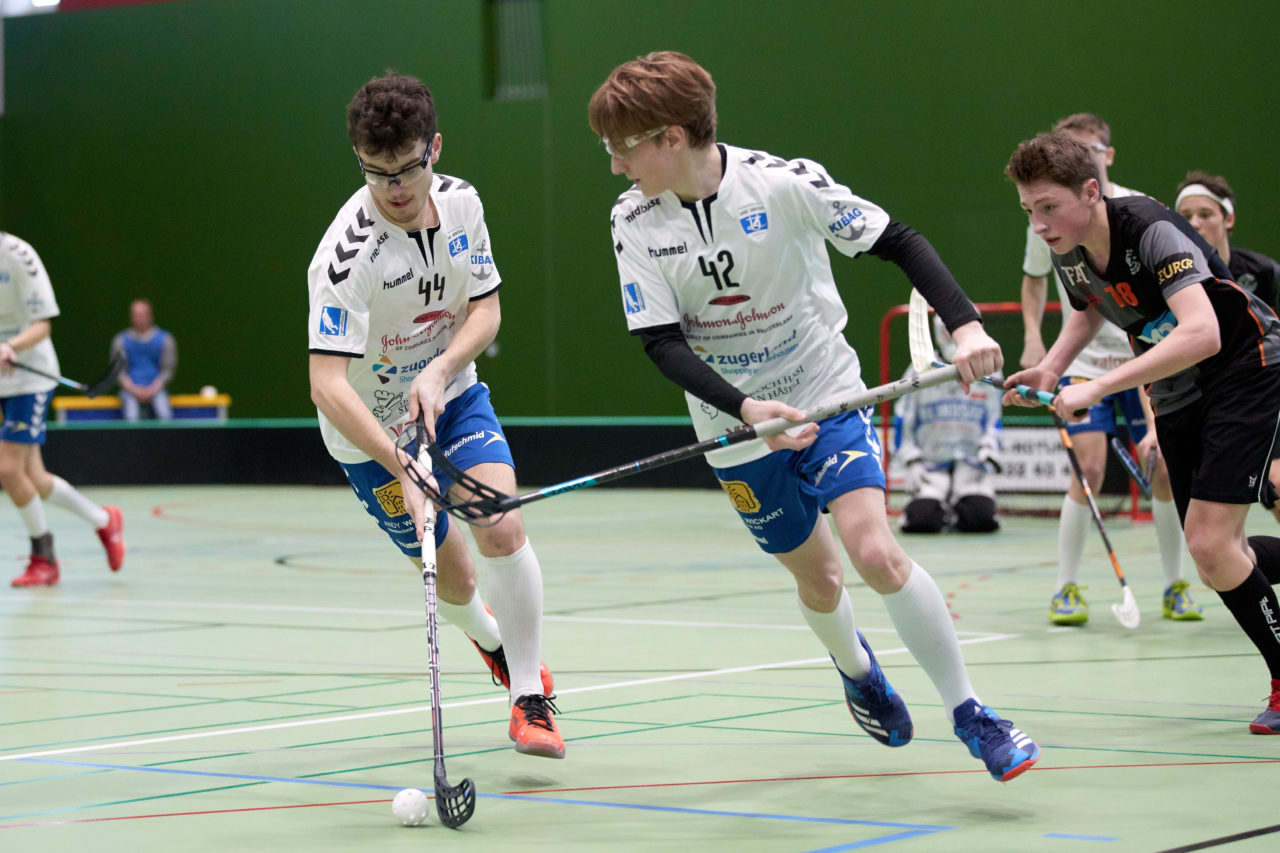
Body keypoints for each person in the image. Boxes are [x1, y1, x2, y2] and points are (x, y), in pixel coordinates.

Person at [589, 51, 1040, 782]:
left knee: (876, 551)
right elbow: (660, 340)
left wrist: (967, 327)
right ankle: (856, 668)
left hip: (824, 391)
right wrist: (747, 409)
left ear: (671, 137)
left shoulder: (784, 183)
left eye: (621, 147)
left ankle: (974, 715)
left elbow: (900, 240)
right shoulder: (633, 220)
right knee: (821, 579)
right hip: (733, 424)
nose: (614, 165)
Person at [306, 72, 562, 759]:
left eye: (408, 168)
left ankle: (529, 694)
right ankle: (491, 641)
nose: (394, 187)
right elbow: (326, 384)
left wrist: (441, 371)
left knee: (500, 523)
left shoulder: (464, 208)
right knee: (455, 577)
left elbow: (487, 308)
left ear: (435, 149)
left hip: (450, 399)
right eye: (376, 172)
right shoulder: (343, 258)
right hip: (370, 435)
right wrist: (402, 465)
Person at [1004, 131, 1280, 734]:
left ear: (1091, 190)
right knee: (1214, 560)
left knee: (1210, 545)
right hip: (1181, 388)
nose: (1039, 223)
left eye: (1048, 206)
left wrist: (1099, 386)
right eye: (1029, 211)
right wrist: (1052, 366)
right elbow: (1090, 306)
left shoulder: (1151, 230)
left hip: (1245, 368)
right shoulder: (1069, 245)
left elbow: (1202, 332)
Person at [1017, 113, 1199, 626]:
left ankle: (1174, 583)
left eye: (1086, 147)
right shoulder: (1049, 223)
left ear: (1103, 161)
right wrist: (1042, 352)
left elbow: (1188, 319)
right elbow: (1073, 299)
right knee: (1089, 469)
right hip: (1087, 365)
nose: (1039, 219)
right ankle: (1066, 587)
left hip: (1152, 359)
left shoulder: (1138, 214)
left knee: (1162, 470)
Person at [0, 232, 126, 587]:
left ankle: (44, 557)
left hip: (29, 378)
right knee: (34, 480)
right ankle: (104, 520)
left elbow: (43, 325)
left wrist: (10, 345)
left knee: (8, 470)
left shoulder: (18, 255)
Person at [1173, 172, 1280, 524]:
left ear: (1228, 218)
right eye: (1185, 217)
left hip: (1264, 397)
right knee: (1210, 533)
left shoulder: (1264, 273)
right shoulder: (1171, 281)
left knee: (1277, 487)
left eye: (1205, 214)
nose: (1194, 224)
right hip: (1205, 406)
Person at [893, 315, 1003, 533]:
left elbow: (994, 419)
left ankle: (961, 505)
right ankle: (935, 505)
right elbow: (903, 419)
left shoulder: (989, 371)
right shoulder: (920, 370)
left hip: (971, 465)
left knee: (979, 519)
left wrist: (989, 448)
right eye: (948, 329)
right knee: (922, 521)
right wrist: (911, 459)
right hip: (930, 465)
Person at [110, 298, 177, 420]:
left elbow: (167, 370)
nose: (139, 318)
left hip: (156, 390)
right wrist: (134, 390)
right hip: (130, 391)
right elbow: (118, 372)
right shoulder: (120, 340)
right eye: (135, 315)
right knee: (131, 415)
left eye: (142, 314)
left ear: (150, 316)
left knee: (165, 414)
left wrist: (152, 389)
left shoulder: (165, 339)